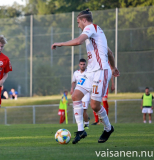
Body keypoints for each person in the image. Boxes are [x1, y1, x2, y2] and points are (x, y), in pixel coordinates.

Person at [51, 8, 119, 144]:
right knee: (76, 96)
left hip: (100, 71)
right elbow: (109, 53)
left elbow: (78, 41)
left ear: (83, 20)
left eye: (78, 22)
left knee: (94, 106)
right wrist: (113, 67)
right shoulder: (97, 33)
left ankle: (108, 128)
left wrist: (60, 43)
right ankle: (81, 130)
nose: (78, 25)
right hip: (90, 72)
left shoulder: (90, 28)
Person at [71, 58, 90, 129]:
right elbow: (73, 82)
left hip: (86, 93)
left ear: (86, 64)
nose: (82, 66)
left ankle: (86, 124)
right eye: (81, 64)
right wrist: (72, 89)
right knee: (78, 109)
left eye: (84, 64)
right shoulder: (76, 73)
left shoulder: (88, 72)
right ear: (79, 65)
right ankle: (82, 123)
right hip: (78, 93)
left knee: (84, 110)